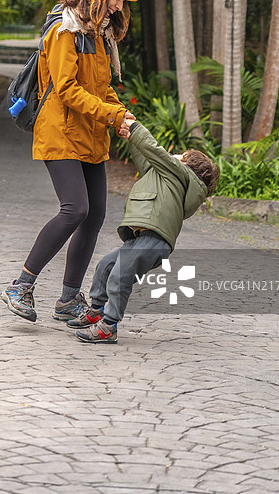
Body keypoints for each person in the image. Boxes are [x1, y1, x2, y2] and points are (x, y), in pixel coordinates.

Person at [1, 0, 137, 325]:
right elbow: (66, 89)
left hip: (90, 134)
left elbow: (103, 87)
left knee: (95, 216)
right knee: (75, 209)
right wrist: (110, 115)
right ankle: (21, 286)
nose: (120, 6)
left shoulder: (99, 34)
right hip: (60, 130)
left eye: (123, 0)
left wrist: (121, 115)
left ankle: (66, 300)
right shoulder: (65, 30)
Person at [67, 115, 220, 344]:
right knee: (106, 266)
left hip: (155, 239)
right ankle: (97, 310)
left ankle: (109, 326)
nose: (176, 155)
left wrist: (136, 128)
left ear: (188, 165)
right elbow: (147, 161)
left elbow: (154, 150)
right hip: (142, 237)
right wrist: (131, 138)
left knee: (120, 276)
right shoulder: (168, 175)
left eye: (182, 155)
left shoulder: (181, 173)